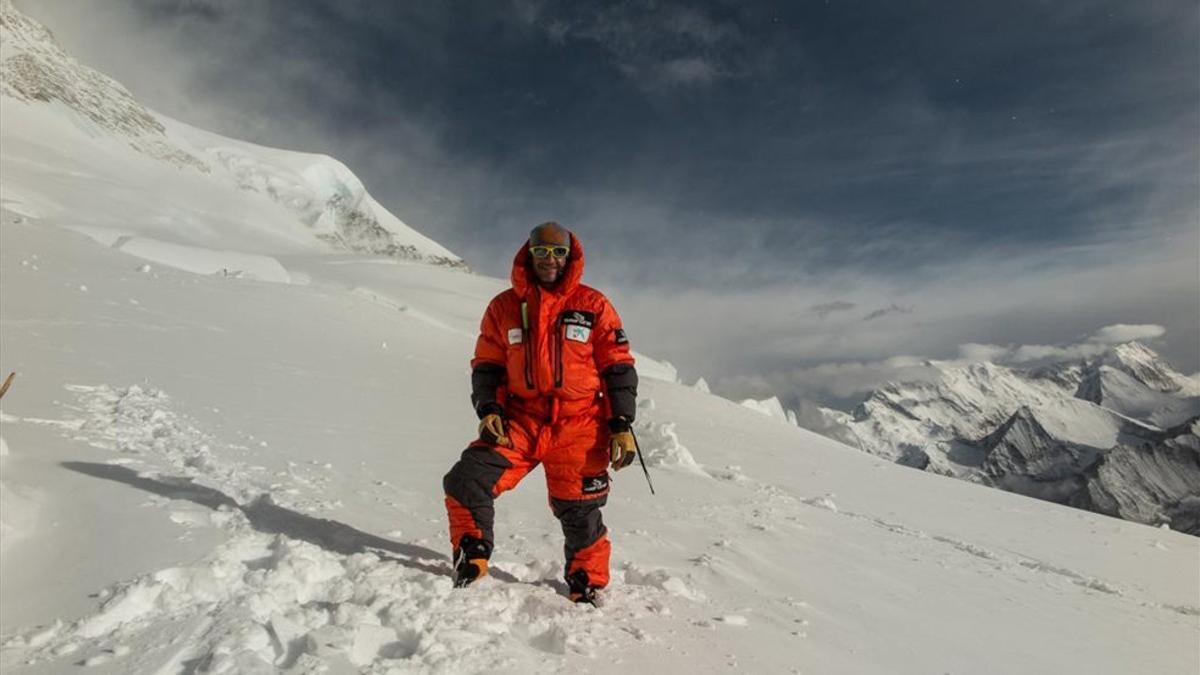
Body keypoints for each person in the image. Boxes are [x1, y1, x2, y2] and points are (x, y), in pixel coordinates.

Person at [442, 221, 639, 604]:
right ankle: (472, 556)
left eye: (558, 252)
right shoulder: (503, 308)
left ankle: (587, 583)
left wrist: (621, 424)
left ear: (571, 257)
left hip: (579, 426)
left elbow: (618, 366)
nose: (550, 259)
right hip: (521, 421)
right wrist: (489, 408)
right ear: (528, 254)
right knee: (466, 480)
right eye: (542, 252)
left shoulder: (593, 305)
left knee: (581, 512)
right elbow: (488, 365)